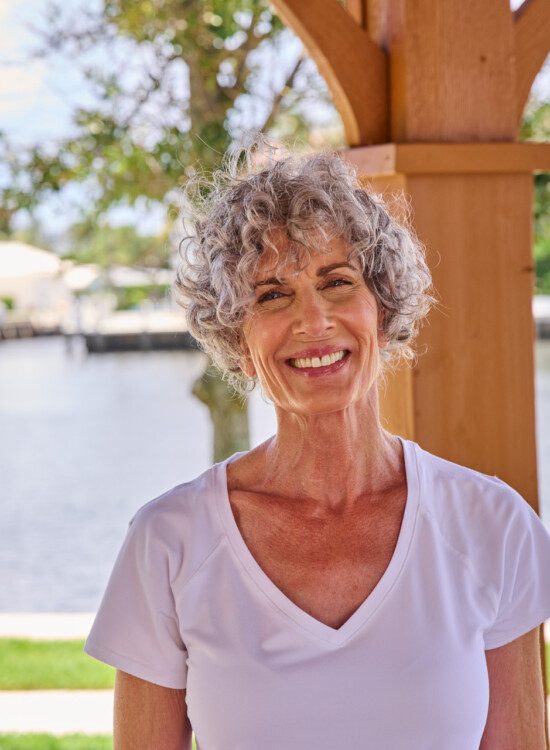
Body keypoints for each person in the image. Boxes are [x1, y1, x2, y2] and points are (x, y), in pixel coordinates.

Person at [83, 146, 550, 749]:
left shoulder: (492, 524)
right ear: (239, 340)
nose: (315, 320)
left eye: (337, 282)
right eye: (273, 295)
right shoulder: (169, 542)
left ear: (382, 312)